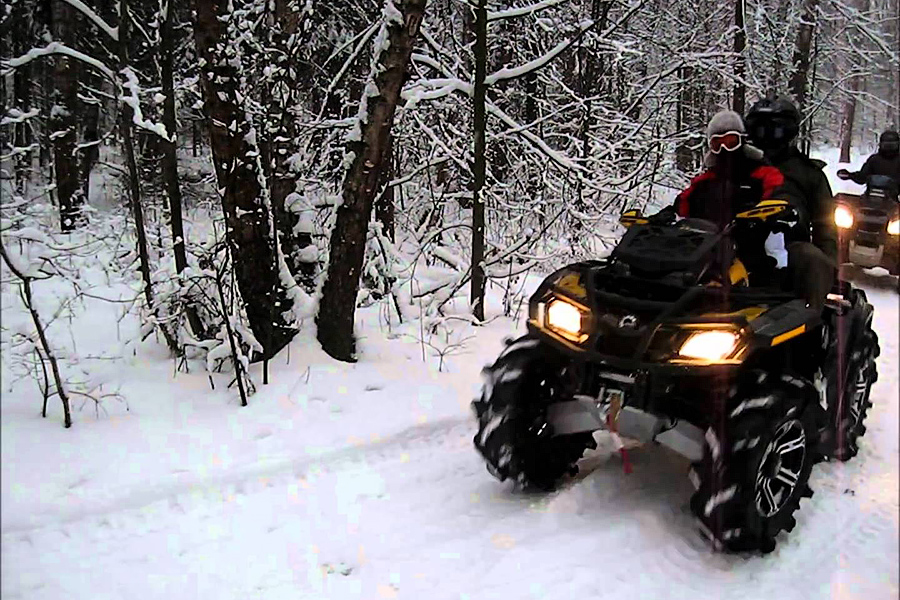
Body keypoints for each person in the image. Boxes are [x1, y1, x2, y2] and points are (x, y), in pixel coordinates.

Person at [652, 109, 785, 277]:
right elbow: (683, 204)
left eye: (730, 142)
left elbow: (779, 195)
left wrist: (764, 213)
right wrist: (667, 214)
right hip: (703, 248)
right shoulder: (704, 181)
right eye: (718, 143)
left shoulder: (764, 174)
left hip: (749, 248)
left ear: (742, 141)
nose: (724, 149)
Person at [744, 95, 837, 311]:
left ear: (788, 132)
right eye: (760, 130)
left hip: (790, 247)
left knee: (811, 260)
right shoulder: (739, 164)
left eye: (774, 130)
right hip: (737, 241)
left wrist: (829, 265)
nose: (766, 137)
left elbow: (826, 225)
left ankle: (811, 322)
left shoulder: (808, 173)